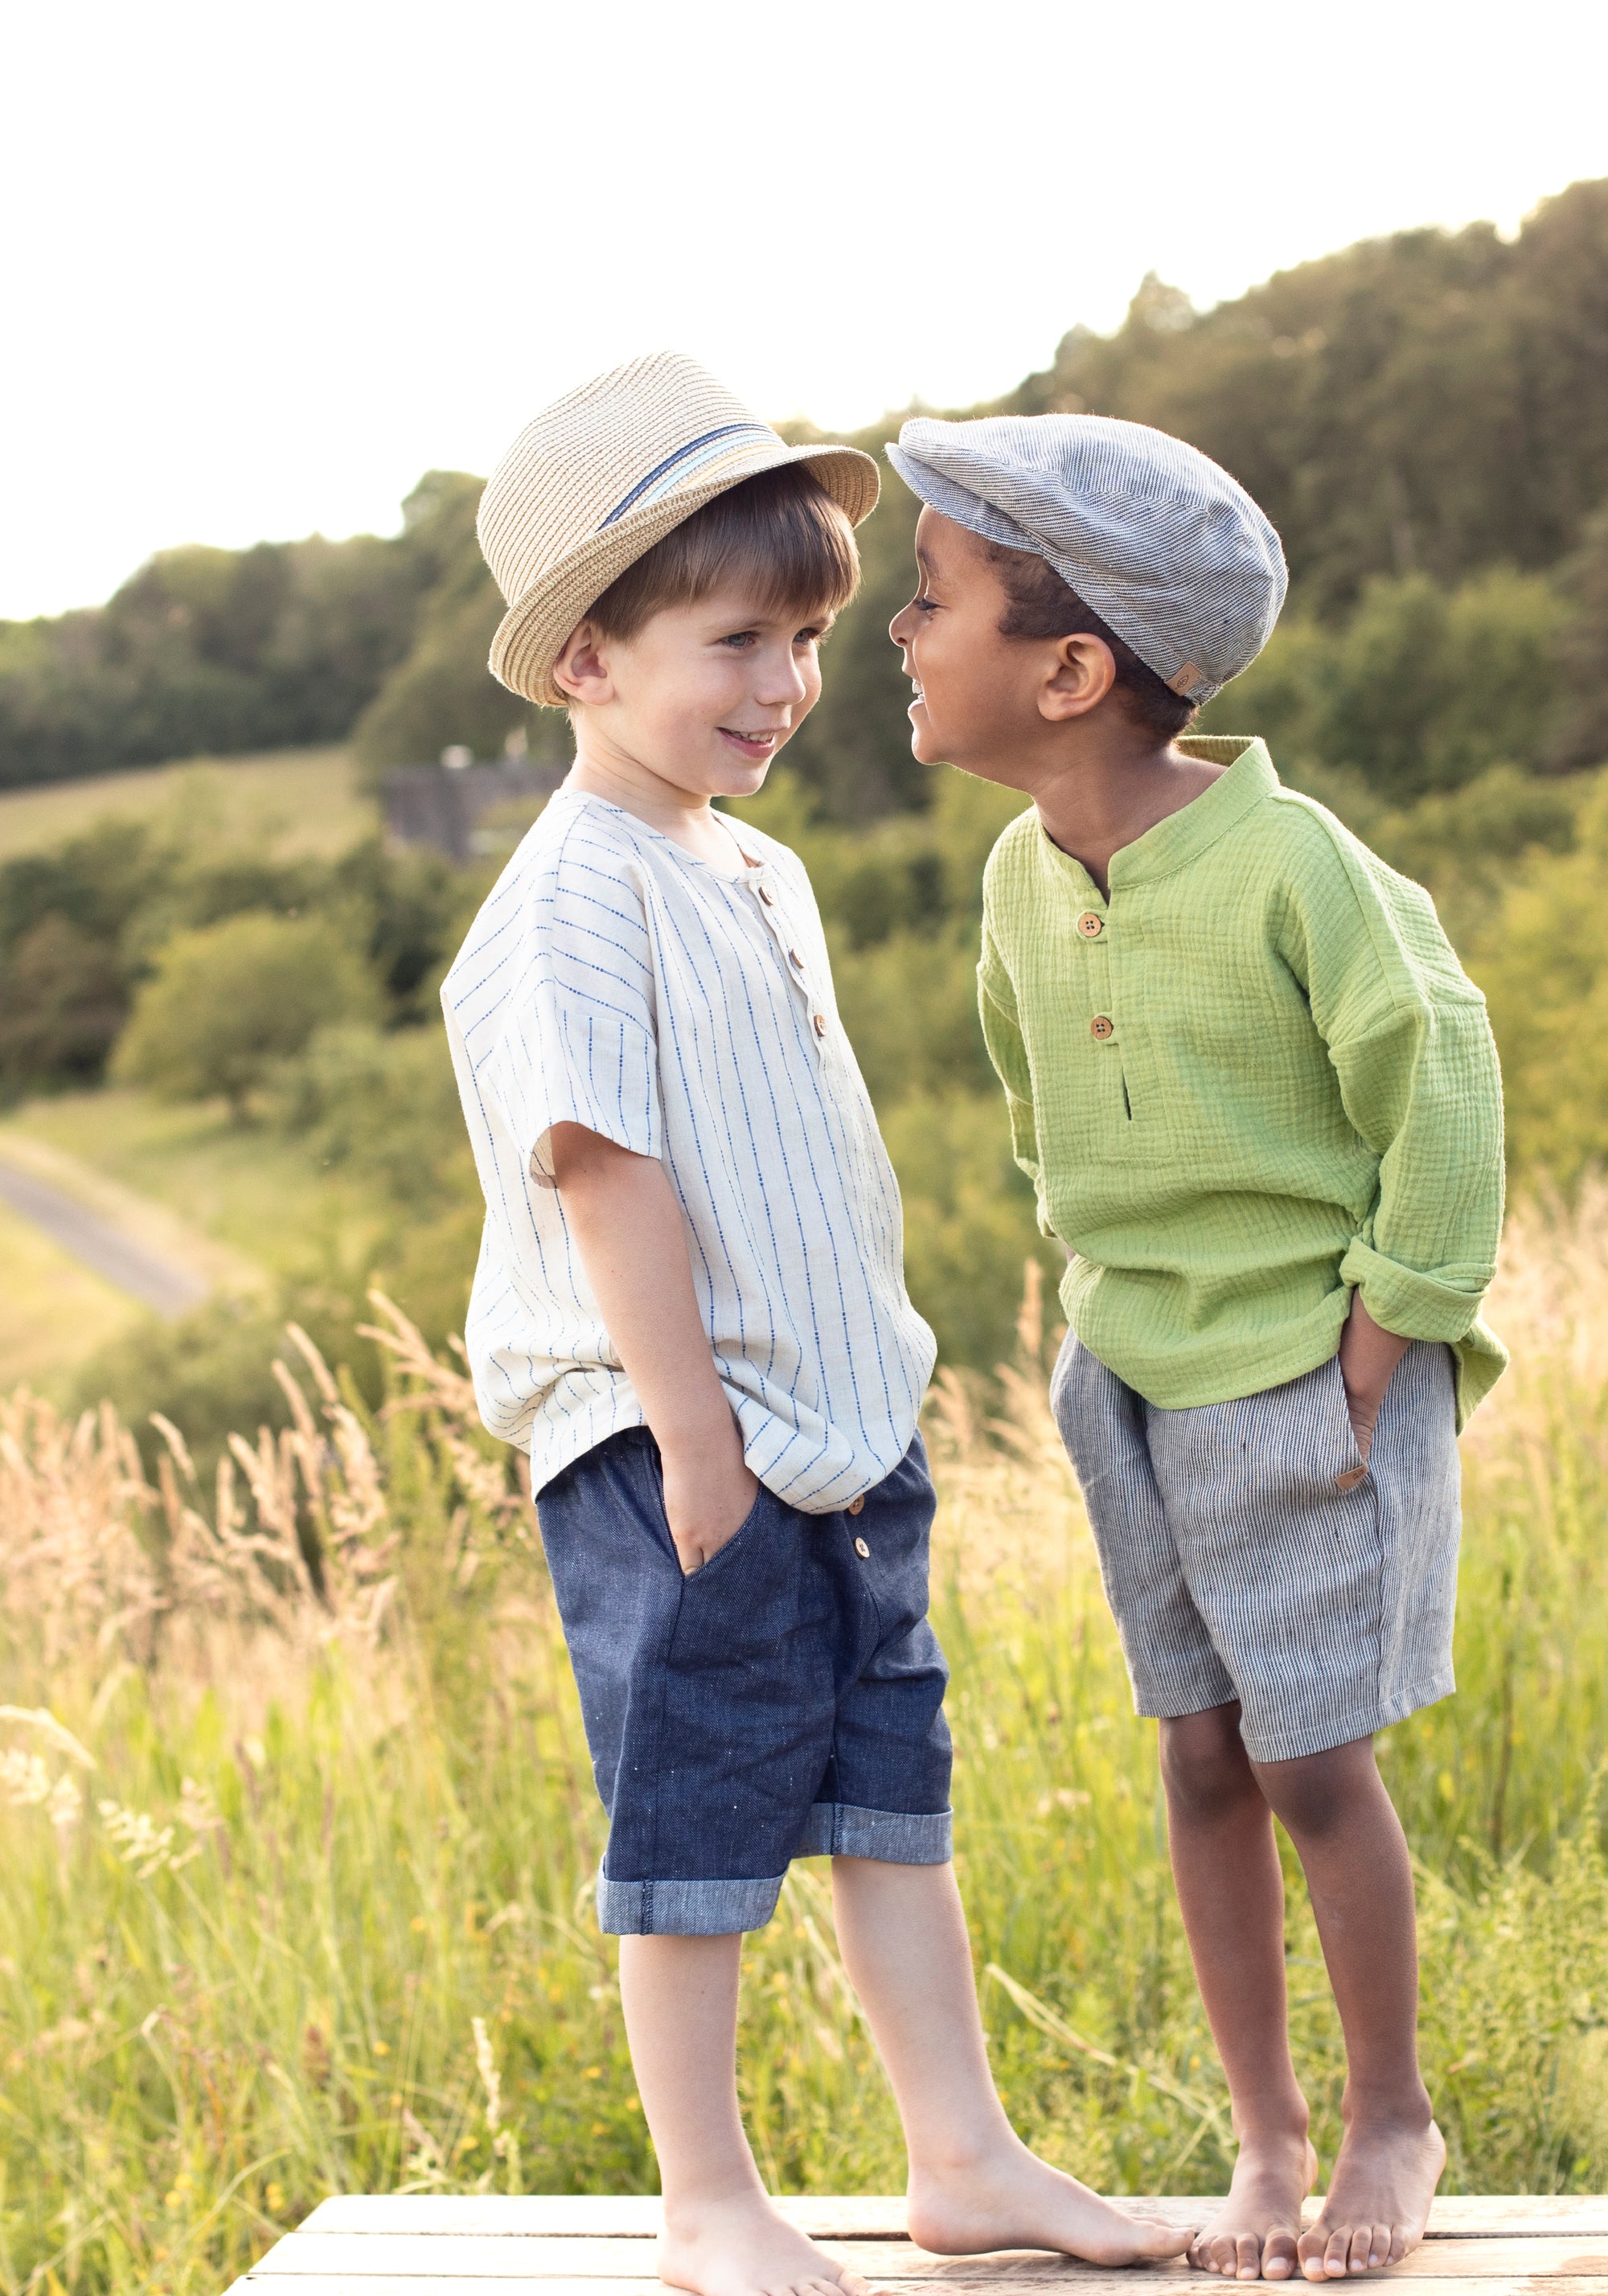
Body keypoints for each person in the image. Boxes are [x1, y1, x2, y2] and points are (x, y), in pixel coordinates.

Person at [442, 355, 1189, 2296]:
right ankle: (708, 2199)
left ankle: (963, 2157)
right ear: (585, 664)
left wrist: (845, 1399)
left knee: (886, 1793)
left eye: (801, 641)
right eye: (730, 643)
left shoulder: (751, 865)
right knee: (692, 1817)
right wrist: (692, 1439)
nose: (780, 685)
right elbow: (605, 1175)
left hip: (841, 1425)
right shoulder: (567, 896)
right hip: (671, 1439)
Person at [885, 412, 1506, 2286]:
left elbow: (1446, 1085)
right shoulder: (1015, 878)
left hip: (1301, 1381)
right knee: (1199, 1756)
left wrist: (1389, 1340)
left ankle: (1391, 2113)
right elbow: (1031, 1100)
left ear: (1069, 671)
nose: (893, 640)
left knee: (1318, 1761)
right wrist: (1097, 1294)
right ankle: (1268, 2140)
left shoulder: (1294, 866)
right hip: (1128, 1381)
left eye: (928, 605)